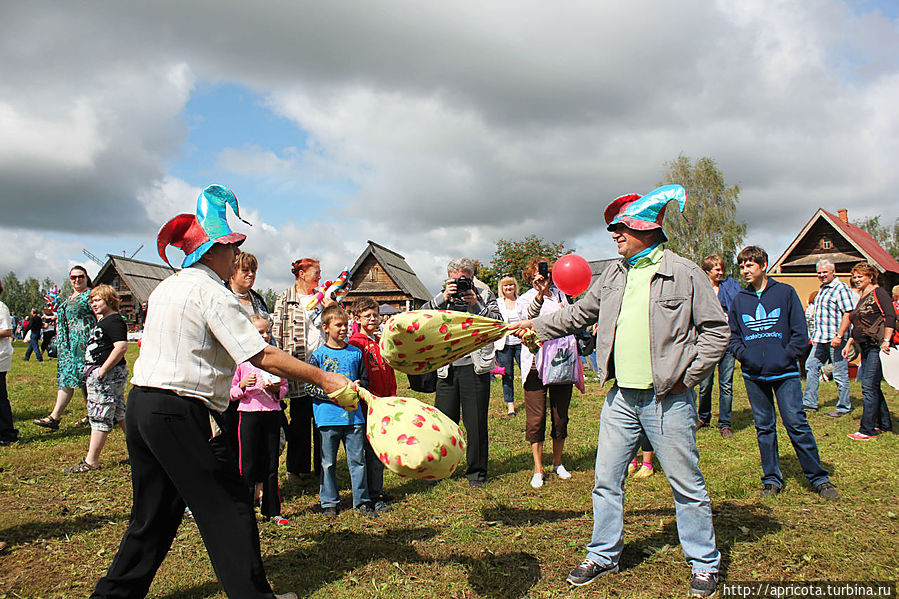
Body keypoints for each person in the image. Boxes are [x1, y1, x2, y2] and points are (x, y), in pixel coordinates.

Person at [90, 184, 347, 599]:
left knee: (153, 515)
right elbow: (259, 354)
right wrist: (324, 378)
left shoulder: (167, 287)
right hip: (179, 411)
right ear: (211, 252)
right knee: (229, 505)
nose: (235, 256)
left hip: (141, 406)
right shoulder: (212, 292)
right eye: (231, 248)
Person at [511, 185, 725, 597]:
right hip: (621, 399)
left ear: (646, 227)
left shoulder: (684, 272)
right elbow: (577, 314)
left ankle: (704, 562)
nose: (613, 235)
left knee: (686, 484)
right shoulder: (614, 273)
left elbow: (716, 332)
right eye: (612, 228)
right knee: (606, 479)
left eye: (621, 227)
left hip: (668, 399)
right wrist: (531, 327)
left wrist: (688, 376)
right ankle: (603, 552)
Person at [728, 246, 838, 500]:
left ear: (764, 265)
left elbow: (800, 333)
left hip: (785, 372)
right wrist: (745, 355)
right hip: (754, 375)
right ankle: (771, 479)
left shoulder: (785, 293)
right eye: (742, 266)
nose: (745, 270)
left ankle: (818, 478)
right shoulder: (739, 300)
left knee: (796, 423)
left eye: (750, 265)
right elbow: (734, 336)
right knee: (764, 428)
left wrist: (786, 356)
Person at [423, 258, 501, 488]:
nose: (460, 284)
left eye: (465, 279)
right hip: (446, 368)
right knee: (443, 422)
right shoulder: (442, 296)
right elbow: (420, 318)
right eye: (455, 279)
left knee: (475, 422)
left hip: (475, 367)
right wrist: (442, 298)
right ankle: (440, 468)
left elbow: (498, 325)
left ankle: (476, 471)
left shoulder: (485, 297)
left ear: (473, 276)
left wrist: (475, 303)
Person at [304, 305, 375, 516]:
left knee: (357, 461)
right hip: (327, 418)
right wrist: (334, 394)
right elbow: (309, 386)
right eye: (338, 325)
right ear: (325, 327)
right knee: (328, 462)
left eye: (346, 325)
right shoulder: (318, 356)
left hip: (354, 418)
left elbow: (365, 381)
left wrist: (357, 386)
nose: (344, 329)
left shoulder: (356, 353)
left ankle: (361, 501)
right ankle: (329, 502)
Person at [272, 257, 332, 482]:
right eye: (315, 272)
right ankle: (296, 469)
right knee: (299, 418)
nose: (319, 276)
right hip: (296, 362)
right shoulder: (285, 298)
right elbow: (276, 333)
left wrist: (331, 306)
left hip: (321, 363)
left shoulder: (324, 297)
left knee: (321, 418)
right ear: (301, 274)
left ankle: (322, 467)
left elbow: (335, 323)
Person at [518, 257, 576, 489]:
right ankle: (538, 467)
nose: (539, 278)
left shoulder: (563, 296)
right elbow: (528, 320)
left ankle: (558, 463)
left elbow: (572, 320)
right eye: (534, 276)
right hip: (535, 363)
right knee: (536, 416)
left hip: (561, 361)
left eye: (543, 274)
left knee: (560, 414)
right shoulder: (525, 299)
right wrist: (540, 295)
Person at [230, 314, 289, 523]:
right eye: (259, 332)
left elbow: (284, 388)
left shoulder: (274, 359)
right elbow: (231, 392)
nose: (264, 336)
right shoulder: (241, 362)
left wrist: (276, 389)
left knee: (272, 464)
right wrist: (243, 385)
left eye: (267, 332)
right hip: (248, 415)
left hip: (272, 414)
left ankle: (273, 510)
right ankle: (246, 511)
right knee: (247, 465)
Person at [65, 285, 129, 473]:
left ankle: (91, 461)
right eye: (92, 300)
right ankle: (140, 453)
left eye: (98, 300)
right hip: (103, 373)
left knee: (99, 414)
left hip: (106, 375)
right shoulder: (105, 321)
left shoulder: (114, 321)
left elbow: (121, 347)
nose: (94, 303)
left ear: (110, 300)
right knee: (119, 413)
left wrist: (102, 371)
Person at [34, 266, 97, 430]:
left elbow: (102, 315)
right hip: (69, 347)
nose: (77, 280)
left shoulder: (91, 295)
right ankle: (88, 415)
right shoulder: (71, 297)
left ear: (86, 277)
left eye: (80, 276)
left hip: (85, 344)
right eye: (73, 277)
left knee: (85, 380)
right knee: (70, 379)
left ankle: (56, 417)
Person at [348, 296, 396, 509]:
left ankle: (377, 490)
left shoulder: (380, 340)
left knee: (380, 449)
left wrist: (392, 394)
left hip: (386, 400)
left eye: (375, 315)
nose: (373, 319)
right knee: (370, 451)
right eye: (367, 316)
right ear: (357, 318)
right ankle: (370, 496)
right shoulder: (355, 344)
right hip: (368, 405)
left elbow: (389, 369)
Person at [843, 262, 895, 440]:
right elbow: (858, 323)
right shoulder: (863, 296)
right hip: (864, 345)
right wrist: (850, 341)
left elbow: (890, 316)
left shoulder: (878, 292)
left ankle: (867, 430)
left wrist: (887, 340)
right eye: (855, 277)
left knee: (868, 387)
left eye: (860, 277)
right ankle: (884, 424)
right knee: (873, 386)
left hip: (876, 345)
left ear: (870, 277)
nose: (856, 280)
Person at [802, 258, 855, 417]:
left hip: (835, 340)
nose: (822, 275)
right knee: (811, 365)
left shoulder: (841, 288)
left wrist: (839, 335)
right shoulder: (823, 289)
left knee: (839, 373)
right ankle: (809, 403)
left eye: (825, 272)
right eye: (819, 273)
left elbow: (848, 313)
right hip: (821, 339)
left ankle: (843, 407)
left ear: (833, 271)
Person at [696, 254, 741, 438]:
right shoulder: (701, 290)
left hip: (728, 341)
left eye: (722, 269)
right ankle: (703, 417)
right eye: (717, 269)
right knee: (705, 384)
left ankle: (725, 423)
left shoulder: (729, 288)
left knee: (726, 385)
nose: (721, 272)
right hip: (707, 341)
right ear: (707, 271)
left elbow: (735, 303)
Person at [494, 274, 522, 417]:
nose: (508, 287)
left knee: (529, 373)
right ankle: (510, 406)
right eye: (505, 285)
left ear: (515, 286)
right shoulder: (498, 303)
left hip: (522, 343)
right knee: (508, 375)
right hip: (504, 344)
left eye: (511, 284)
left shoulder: (522, 301)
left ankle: (533, 402)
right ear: (502, 288)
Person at [0, 280, 17, 446]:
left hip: (0, 356)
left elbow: (7, 331)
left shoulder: (1, 307)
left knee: (0, 397)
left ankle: (7, 432)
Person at [227, 251, 270, 317]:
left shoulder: (259, 301)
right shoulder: (220, 296)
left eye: (253, 271)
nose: (251, 274)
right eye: (245, 270)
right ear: (233, 271)